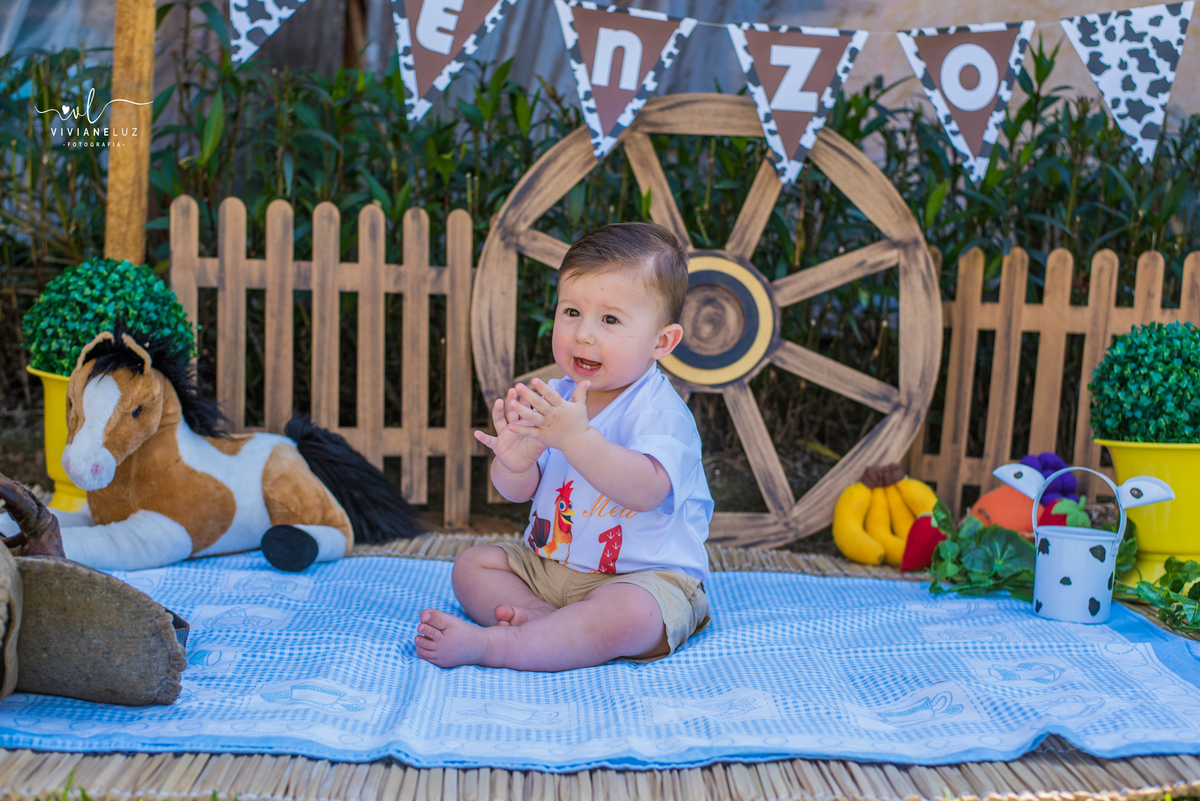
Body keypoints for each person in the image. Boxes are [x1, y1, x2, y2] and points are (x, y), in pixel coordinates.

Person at [415, 222, 714, 671]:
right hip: (547, 566)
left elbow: (646, 490)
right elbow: (517, 492)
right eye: (571, 311)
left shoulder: (660, 412)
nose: (583, 334)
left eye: (610, 319)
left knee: (631, 618)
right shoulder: (554, 395)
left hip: (639, 579)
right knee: (473, 566)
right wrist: (515, 466)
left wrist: (577, 440)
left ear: (662, 341)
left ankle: (497, 647)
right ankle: (546, 624)